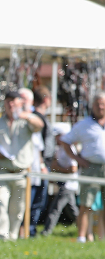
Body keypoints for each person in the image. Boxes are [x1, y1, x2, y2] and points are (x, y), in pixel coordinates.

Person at [0, 90, 43, 240]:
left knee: (19, 207)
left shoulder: (26, 121)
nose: (10, 104)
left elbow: (40, 125)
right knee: (1, 201)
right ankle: (2, 234)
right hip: (3, 170)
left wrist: (25, 115)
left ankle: (14, 235)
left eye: (14, 101)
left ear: (20, 103)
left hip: (22, 171)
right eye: (8, 101)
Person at [58, 91, 105, 243]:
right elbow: (65, 142)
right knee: (86, 204)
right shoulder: (83, 125)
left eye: (103, 104)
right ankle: (81, 237)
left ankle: (102, 238)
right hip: (90, 168)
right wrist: (77, 159)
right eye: (98, 104)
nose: (101, 107)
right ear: (93, 106)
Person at [40, 122, 80, 236]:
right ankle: (84, 228)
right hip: (65, 184)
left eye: (57, 136)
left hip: (69, 185)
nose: (55, 138)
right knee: (73, 211)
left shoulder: (69, 148)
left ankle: (46, 232)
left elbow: (73, 168)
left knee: (55, 209)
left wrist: (57, 168)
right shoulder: (60, 148)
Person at [27, 86, 54, 236]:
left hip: (44, 165)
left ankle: (32, 228)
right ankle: (29, 229)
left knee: (39, 201)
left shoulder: (41, 117)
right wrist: (42, 164)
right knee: (35, 200)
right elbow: (38, 145)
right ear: (46, 99)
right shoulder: (37, 118)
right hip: (38, 165)